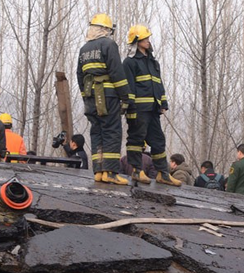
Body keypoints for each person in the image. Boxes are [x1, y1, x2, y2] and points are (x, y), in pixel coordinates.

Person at [77, 13, 132, 185]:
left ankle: (99, 171)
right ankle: (111, 172)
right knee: (112, 131)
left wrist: (86, 95)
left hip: (90, 98)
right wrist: (126, 96)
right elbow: (117, 72)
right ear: (105, 29)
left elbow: (80, 75)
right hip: (107, 96)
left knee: (97, 131)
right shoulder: (109, 44)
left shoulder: (84, 49)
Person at [123, 24, 181, 186]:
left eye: (148, 38)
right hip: (139, 110)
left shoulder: (153, 62)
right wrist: (131, 109)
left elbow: (158, 84)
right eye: (145, 38)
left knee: (158, 141)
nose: (148, 41)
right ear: (136, 41)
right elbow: (128, 87)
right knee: (136, 139)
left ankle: (163, 173)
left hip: (153, 110)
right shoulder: (130, 62)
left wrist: (163, 103)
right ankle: (136, 170)